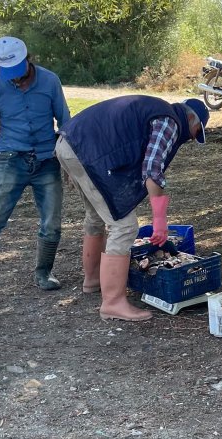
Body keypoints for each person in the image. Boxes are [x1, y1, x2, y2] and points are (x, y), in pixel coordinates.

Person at [55, 95, 209, 323]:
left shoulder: (155, 110)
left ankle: (93, 280)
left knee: (96, 216)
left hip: (69, 143)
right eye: (196, 131)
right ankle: (113, 303)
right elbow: (152, 170)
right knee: (124, 226)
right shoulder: (170, 121)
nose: (190, 138)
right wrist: (159, 221)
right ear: (190, 118)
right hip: (85, 151)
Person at [0, 37, 72, 305]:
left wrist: (69, 160)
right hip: (10, 159)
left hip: (47, 159)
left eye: (17, 71)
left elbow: (66, 120)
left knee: (52, 222)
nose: (14, 79)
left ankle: (44, 273)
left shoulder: (50, 81)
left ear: (28, 59)